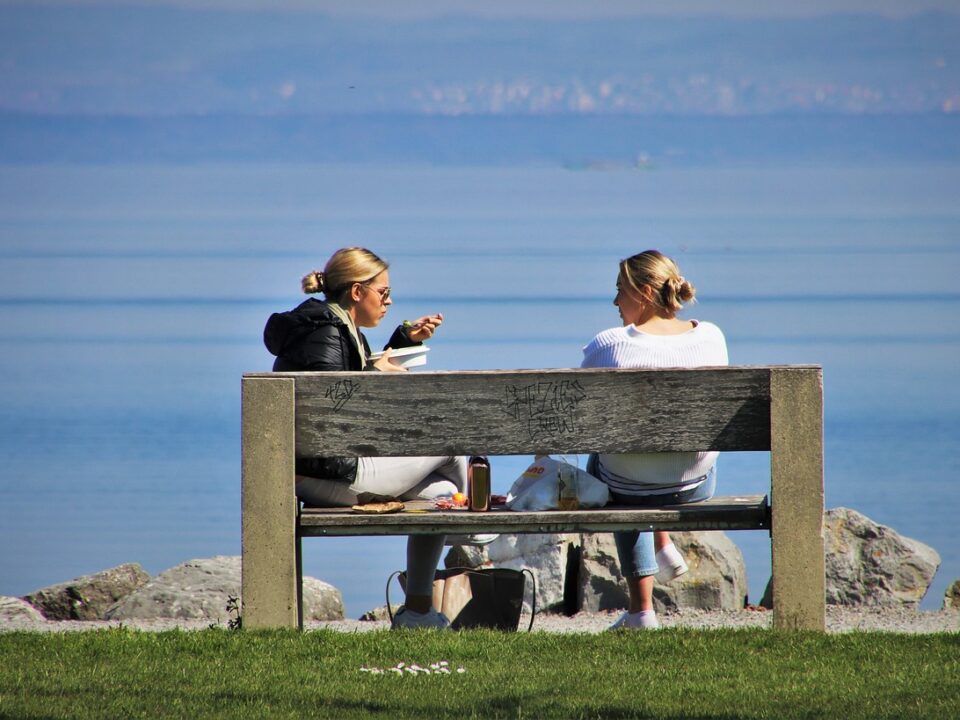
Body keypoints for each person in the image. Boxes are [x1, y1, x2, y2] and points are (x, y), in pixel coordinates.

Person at [262, 246, 463, 629]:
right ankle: (484, 530)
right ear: (357, 292)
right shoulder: (326, 334)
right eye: (383, 293)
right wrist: (380, 380)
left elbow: (347, 380)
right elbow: (337, 416)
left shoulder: (334, 328)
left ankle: (418, 612)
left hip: (334, 468)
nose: (389, 301)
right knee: (450, 440)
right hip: (333, 474)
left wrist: (402, 340)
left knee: (438, 494)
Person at [580, 250, 729, 630]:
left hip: (627, 485)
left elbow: (580, 415)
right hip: (694, 485)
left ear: (645, 292)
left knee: (608, 467)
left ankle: (641, 611)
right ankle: (662, 544)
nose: (615, 301)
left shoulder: (609, 345)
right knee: (648, 458)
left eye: (620, 291)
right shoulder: (711, 336)